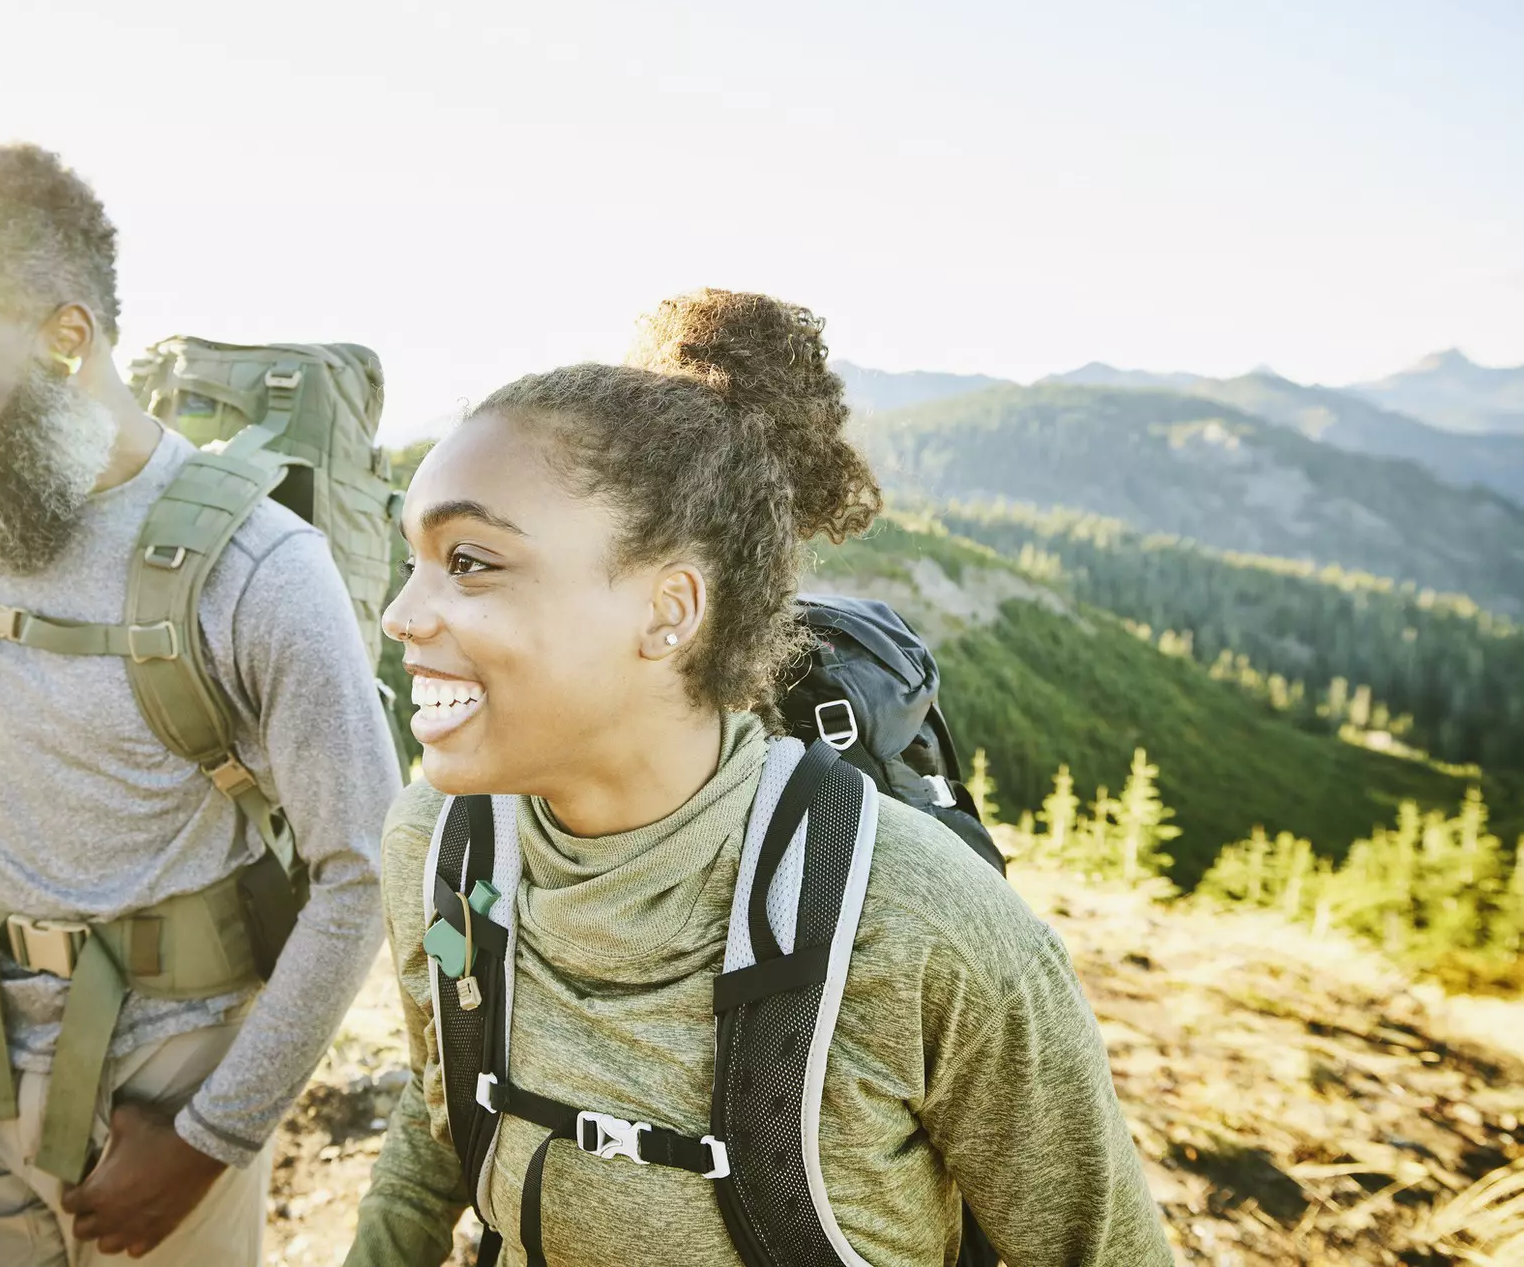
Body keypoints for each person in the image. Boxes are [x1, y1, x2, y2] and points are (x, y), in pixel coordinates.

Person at [345, 291, 1171, 1266]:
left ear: (668, 611)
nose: (401, 614)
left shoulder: (921, 927)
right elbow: (441, 1100)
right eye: (414, 559)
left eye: (470, 561)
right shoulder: (437, 840)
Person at [0, 140, 401, 1266]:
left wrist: (209, 1136)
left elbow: (363, 867)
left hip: (175, 1069)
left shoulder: (259, 566)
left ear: (65, 334)